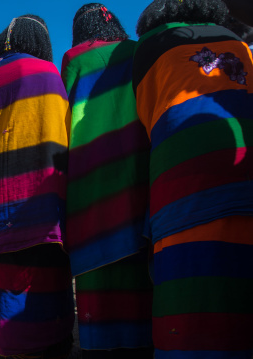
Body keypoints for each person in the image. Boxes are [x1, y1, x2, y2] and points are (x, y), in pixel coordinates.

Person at [134, 0, 253, 358]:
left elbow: (146, 113)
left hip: (183, 171)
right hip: (243, 159)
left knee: (187, 276)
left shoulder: (150, 46)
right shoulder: (237, 40)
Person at [0, 15, 75, 359]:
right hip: (42, 194)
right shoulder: (49, 73)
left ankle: (8, 349)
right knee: (45, 277)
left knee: (5, 280)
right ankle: (50, 345)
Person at [61, 4, 153, 358]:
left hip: (89, 177)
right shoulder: (137, 51)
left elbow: (64, 119)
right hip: (137, 167)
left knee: (97, 266)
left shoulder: (75, 60)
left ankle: (101, 344)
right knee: (138, 260)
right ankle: (143, 341)